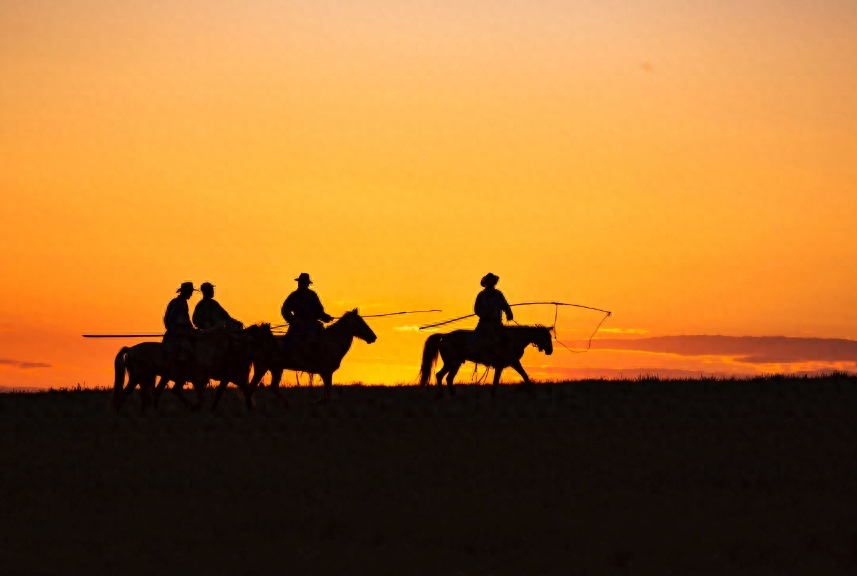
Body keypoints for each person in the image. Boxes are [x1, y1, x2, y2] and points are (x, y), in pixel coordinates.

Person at [281, 273, 333, 356]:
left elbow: (319, 311)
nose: (302, 285)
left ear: (307, 285)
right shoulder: (294, 296)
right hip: (298, 326)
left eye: (304, 283)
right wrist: (293, 320)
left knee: (323, 338)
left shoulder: (313, 295)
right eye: (301, 283)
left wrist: (325, 317)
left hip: (313, 325)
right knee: (292, 342)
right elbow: (285, 311)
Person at [473, 273, 513, 360]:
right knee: (475, 338)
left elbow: (505, 305)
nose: (491, 284)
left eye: (492, 282)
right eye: (489, 282)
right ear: (486, 283)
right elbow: (476, 309)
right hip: (484, 323)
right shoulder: (481, 295)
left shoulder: (498, 295)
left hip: (496, 323)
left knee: (504, 340)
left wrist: (509, 313)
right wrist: (485, 315)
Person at [163, 281, 197, 362]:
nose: (191, 294)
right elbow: (168, 319)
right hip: (177, 335)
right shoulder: (176, 303)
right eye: (190, 292)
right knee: (188, 349)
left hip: (184, 333)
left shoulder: (184, 303)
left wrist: (193, 330)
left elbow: (187, 320)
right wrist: (176, 331)